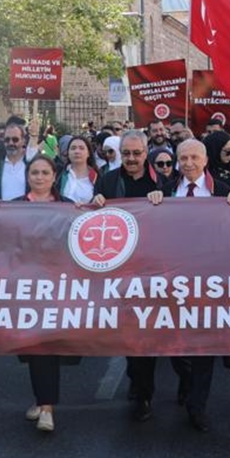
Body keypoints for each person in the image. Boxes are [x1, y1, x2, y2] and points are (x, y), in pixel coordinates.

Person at [149, 138, 230, 432]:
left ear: (205, 160)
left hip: (210, 279)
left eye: (194, 157)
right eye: (183, 158)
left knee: (204, 343)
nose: (188, 163)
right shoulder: (164, 193)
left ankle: (197, 405)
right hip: (174, 277)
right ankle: (186, 380)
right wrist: (153, 201)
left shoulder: (226, 192)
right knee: (173, 341)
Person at [92, 131, 169, 421]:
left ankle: (144, 391)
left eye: (137, 153)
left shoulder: (161, 180)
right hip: (121, 269)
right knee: (129, 335)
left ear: (146, 151)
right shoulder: (109, 181)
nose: (132, 159)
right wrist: (96, 201)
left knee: (149, 335)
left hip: (154, 269)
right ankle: (140, 387)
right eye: (127, 154)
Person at [12, 155, 77, 432]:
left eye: (45, 172)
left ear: (54, 176)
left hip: (55, 286)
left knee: (46, 346)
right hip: (24, 288)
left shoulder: (68, 207)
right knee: (29, 347)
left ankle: (47, 408)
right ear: (28, 176)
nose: (39, 177)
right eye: (34, 172)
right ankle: (41, 399)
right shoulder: (12, 207)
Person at [0, 122, 29, 201]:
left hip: (26, 210)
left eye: (15, 139)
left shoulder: (30, 163)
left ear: (23, 141)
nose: (11, 143)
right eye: (7, 140)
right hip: (1, 212)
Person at [57, 135, 99, 205]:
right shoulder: (59, 174)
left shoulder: (98, 177)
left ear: (88, 153)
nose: (77, 151)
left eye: (81, 148)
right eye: (73, 148)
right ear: (68, 153)